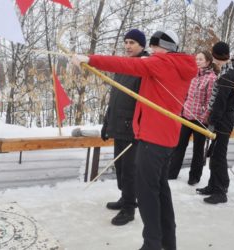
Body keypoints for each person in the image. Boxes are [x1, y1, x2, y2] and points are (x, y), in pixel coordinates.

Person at [72, 29, 197, 250]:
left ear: (161, 47)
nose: (151, 50)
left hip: (153, 139)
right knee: (161, 193)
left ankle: (152, 245)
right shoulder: (178, 64)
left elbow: (125, 64)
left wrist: (89, 59)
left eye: (153, 46)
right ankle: (168, 243)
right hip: (164, 138)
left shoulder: (162, 62)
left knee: (147, 194)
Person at [101, 29, 149, 226]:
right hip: (118, 124)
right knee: (120, 167)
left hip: (132, 128)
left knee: (130, 169)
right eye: (126, 42)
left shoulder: (144, 67)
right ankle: (125, 197)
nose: (128, 46)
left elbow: (146, 102)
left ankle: (129, 208)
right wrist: (107, 122)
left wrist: (140, 127)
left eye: (132, 42)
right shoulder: (122, 66)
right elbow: (115, 98)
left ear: (142, 45)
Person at [196, 41, 234, 204]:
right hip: (225, 116)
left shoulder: (227, 76)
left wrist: (212, 120)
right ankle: (213, 185)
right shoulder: (231, 71)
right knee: (214, 152)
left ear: (216, 55)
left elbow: (220, 102)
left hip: (224, 117)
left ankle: (221, 190)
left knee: (218, 155)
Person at [168, 51, 217, 185]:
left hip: (200, 120)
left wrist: (204, 116)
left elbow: (210, 101)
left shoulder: (212, 78)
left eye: (200, 59)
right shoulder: (193, 75)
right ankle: (171, 172)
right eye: (196, 59)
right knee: (179, 145)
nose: (197, 61)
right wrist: (181, 109)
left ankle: (194, 177)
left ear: (208, 62)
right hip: (186, 116)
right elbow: (185, 94)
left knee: (198, 149)